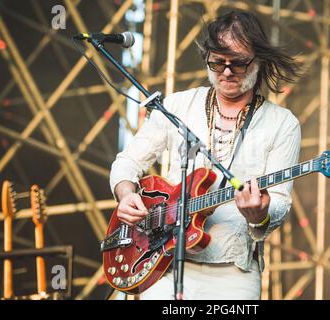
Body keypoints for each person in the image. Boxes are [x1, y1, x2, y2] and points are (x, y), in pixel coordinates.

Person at [109, 10, 301, 300]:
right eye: (217, 62)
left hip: (233, 274)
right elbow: (127, 163)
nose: (226, 72)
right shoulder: (177, 106)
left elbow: (280, 203)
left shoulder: (282, 123)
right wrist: (126, 195)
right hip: (165, 265)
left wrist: (259, 213)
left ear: (258, 61)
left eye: (237, 63)